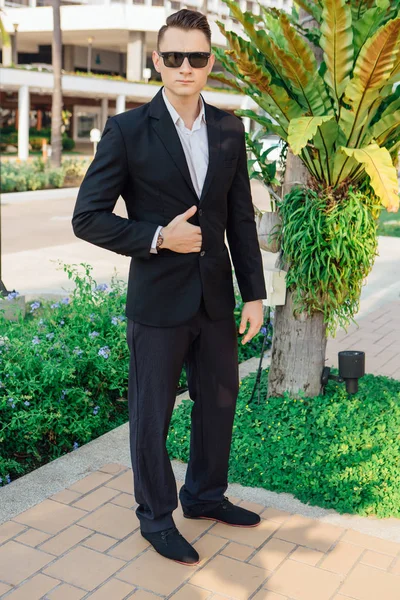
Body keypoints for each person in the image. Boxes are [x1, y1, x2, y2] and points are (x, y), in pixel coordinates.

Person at [72, 8, 267, 566]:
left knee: (219, 403)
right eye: (174, 56)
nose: (186, 67)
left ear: (211, 64)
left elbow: (240, 220)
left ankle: (204, 496)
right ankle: (156, 519)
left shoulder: (230, 129)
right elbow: (88, 216)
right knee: (151, 415)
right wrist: (158, 236)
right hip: (157, 302)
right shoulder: (128, 130)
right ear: (158, 60)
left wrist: (252, 293)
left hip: (214, 298)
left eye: (197, 57)